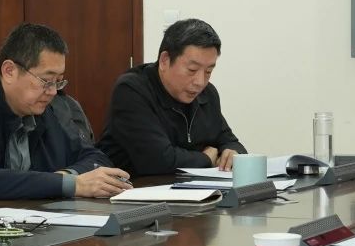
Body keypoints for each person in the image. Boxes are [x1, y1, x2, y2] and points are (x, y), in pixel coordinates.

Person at [0, 23, 129, 200]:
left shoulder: (47, 112)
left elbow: (97, 159)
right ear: (9, 71)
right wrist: (71, 184)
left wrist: (65, 176)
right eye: (46, 80)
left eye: (58, 81)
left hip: (30, 222)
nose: (52, 91)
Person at [98, 18, 246, 176]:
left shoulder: (207, 94)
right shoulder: (132, 90)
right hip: (132, 187)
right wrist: (206, 159)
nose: (200, 82)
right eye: (192, 70)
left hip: (188, 188)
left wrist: (232, 153)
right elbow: (158, 161)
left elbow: (229, 141)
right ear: (165, 61)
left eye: (208, 71)